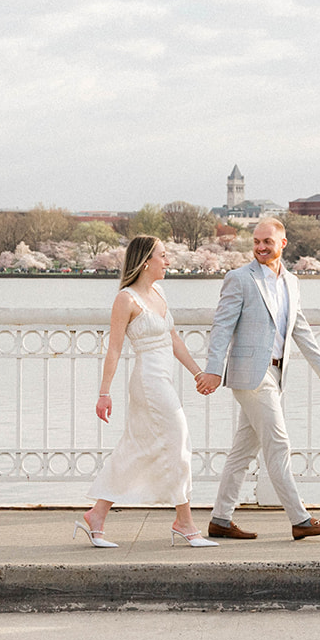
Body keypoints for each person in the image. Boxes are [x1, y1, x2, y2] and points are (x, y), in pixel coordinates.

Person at [196, 218, 320, 540]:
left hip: (276, 373)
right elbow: (222, 326)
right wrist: (213, 369)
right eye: (257, 242)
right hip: (251, 375)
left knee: (243, 451)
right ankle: (300, 519)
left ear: (283, 243)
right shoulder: (239, 279)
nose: (261, 247)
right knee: (278, 444)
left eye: (267, 242)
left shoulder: (291, 281)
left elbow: (299, 327)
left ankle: (220, 519)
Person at [76, 235, 217, 549]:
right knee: (179, 439)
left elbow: (175, 340)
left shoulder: (159, 292)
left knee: (136, 447)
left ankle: (97, 514)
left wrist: (198, 374)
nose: (168, 262)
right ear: (144, 262)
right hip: (148, 383)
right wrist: (104, 393)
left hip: (163, 378)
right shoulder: (125, 299)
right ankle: (184, 521)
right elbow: (113, 350)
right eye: (163, 256)